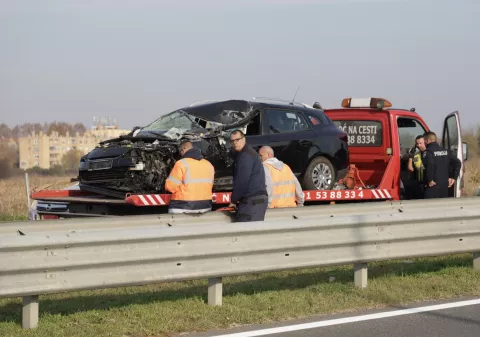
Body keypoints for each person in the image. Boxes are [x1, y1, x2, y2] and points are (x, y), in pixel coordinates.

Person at [228, 130, 268, 222]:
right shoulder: (249, 153)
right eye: (232, 141)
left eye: (237, 140)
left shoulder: (245, 155)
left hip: (252, 202)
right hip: (255, 201)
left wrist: (233, 201)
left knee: (248, 233)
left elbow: (241, 181)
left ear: (244, 139)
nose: (234, 143)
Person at [165, 140, 215, 214]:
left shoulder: (181, 163)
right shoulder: (209, 164)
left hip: (182, 206)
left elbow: (170, 187)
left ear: (183, 149)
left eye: (180, 152)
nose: (181, 154)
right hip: (205, 206)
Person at [422, 132, 461, 199]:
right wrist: (453, 177)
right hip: (444, 187)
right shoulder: (446, 151)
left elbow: (430, 165)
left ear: (427, 141)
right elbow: (458, 162)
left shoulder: (428, 152)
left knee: (430, 207)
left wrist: (430, 179)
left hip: (432, 186)